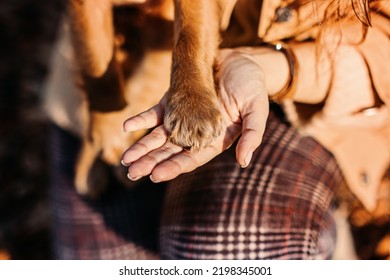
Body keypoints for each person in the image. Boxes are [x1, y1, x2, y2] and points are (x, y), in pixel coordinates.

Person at [47, 0, 390, 259]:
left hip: (309, 89)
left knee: (233, 246)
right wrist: (104, 100)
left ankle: (327, 240)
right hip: (126, 58)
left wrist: (271, 69)